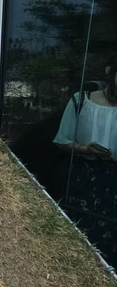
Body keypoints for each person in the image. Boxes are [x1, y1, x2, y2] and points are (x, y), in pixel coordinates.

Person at [53, 56, 117, 265]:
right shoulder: (81, 100)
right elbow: (61, 141)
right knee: (79, 238)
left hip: (113, 182)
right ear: (110, 72)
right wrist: (85, 149)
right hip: (83, 178)